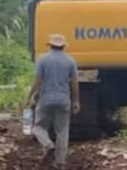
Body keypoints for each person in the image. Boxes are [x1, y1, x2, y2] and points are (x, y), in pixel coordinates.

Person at [26, 34, 80, 169]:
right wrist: (76, 101)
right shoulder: (70, 61)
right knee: (62, 131)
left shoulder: (42, 60)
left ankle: (47, 144)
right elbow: (74, 83)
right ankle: (60, 163)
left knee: (38, 127)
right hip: (63, 101)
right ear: (63, 46)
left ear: (50, 46)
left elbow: (38, 81)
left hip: (45, 100)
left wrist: (29, 97)